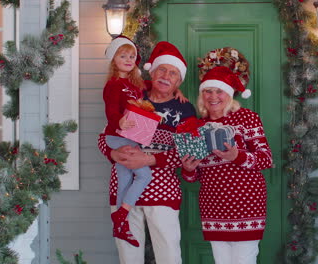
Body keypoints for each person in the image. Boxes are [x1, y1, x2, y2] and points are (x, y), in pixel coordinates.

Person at [98, 41, 196, 264]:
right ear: (152, 71)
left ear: (179, 81)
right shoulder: (133, 93)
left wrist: (150, 158)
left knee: (169, 255)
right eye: (162, 69)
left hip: (162, 192)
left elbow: (187, 152)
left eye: (173, 73)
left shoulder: (185, 109)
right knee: (128, 256)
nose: (166, 76)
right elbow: (104, 136)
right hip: (124, 187)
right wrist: (113, 155)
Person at [180, 66, 274, 264]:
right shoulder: (196, 127)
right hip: (213, 207)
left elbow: (266, 159)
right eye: (208, 91)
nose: (213, 96)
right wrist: (188, 169)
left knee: (244, 260)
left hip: (247, 205)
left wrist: (236, 156)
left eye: (219, 91)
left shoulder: (246, 118)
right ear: (201, 95)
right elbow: (194, 176)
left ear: (229, 95)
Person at [102, 36, 153, 248]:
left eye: (132, 56)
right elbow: (111, 110)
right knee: (143, 174)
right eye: (123, 56)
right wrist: (119, 121)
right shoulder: (113, 85)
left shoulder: (135, 83)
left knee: (124, 178)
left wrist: (175, 90)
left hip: (133, 137)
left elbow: (151, 87)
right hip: (118, 136)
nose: (128, 59)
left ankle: (120, 227)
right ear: (114, 60)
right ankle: (122, 213)